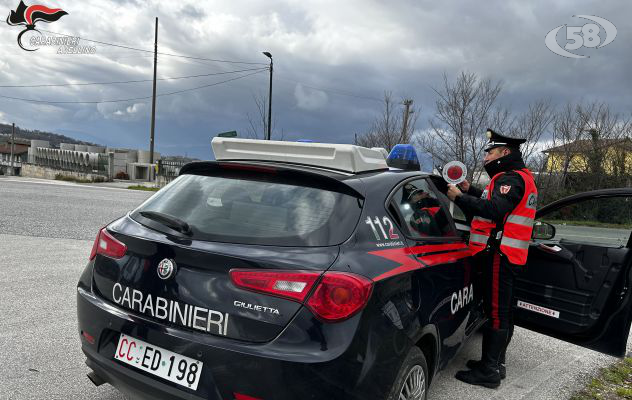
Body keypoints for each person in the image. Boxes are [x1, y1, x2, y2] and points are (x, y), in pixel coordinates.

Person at [446, 129, 538, 388]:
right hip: (508, 254)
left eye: (490, 152)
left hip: (499, 254)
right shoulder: (520, 178)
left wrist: (460, 198)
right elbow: (496, 202)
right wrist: (470, 189)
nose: (486, 156)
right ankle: (495, 364)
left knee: (497, 313)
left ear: (505, 153)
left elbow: (495, 210)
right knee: (503, 311)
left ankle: (489, 371)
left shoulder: (510, 178)